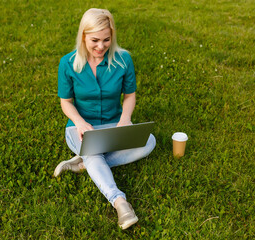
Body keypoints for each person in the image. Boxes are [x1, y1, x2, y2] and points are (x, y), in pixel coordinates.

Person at [54, 8, 156, 230]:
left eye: (106, 40)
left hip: (113, 124)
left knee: (149, 141)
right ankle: (120, 202)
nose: (101, 46)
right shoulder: (67, 63)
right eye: (95, 40)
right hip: (80, 129)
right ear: (83, 36)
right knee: (92, 149)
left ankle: (85, 164)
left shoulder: (123, 60)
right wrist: (80, 123)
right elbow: (66, 102)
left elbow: (129, 96)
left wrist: (125, 119)